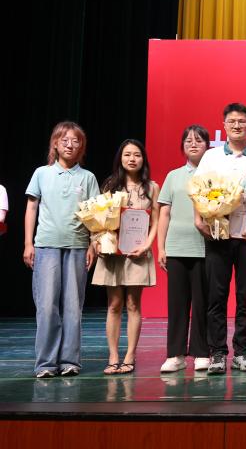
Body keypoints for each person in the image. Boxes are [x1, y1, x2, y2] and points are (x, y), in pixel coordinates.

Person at [24, 121, 100, 378]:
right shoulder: (42, 173)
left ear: (81, 147)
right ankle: (45, 364)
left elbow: (95, 214)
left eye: (75, 141)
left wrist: (93, 244)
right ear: (55, 144)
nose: (70, 145)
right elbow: (31, 208)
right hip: (46, 246)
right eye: (64, 140)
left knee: (72, 307)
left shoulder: (87, 177)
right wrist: (28, 243)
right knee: (46, 306)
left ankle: (69, 361)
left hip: (77, 247)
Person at [196, 102, 246, 375]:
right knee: (216, 296)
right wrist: (199, 219)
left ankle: (242, 352)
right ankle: (217, 353)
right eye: (232, 121)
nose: (237, 126)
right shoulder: (211, 156)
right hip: (218, 235)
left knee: (245, 297)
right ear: (224, 125)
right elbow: (198, 191)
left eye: (242, 121)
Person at [92, 139, 160, 375]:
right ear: (120, 159)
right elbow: (99, 219)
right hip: (113, 253)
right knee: (114, 304)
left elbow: (156, 221)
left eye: (137, 155)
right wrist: (98, 242)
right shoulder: (110, 185)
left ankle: (130, 355)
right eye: (127, 154)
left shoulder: (152, 187)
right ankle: (113, 356)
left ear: (143, 159)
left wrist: (147, 245)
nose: (132, 159)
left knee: (133, 304)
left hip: (138, 253)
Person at [158, 125, 211, 373]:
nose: (193, 144)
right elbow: (164, 213)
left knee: (202, 303)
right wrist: (161, 247)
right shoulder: (173, 176)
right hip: (177, 246)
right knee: (177, 304)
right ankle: (175, 354)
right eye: (188, 140)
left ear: (207, 145)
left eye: (198, 140)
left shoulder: (214, 176)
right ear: (182, 146)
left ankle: (201, 352)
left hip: (205, 247)